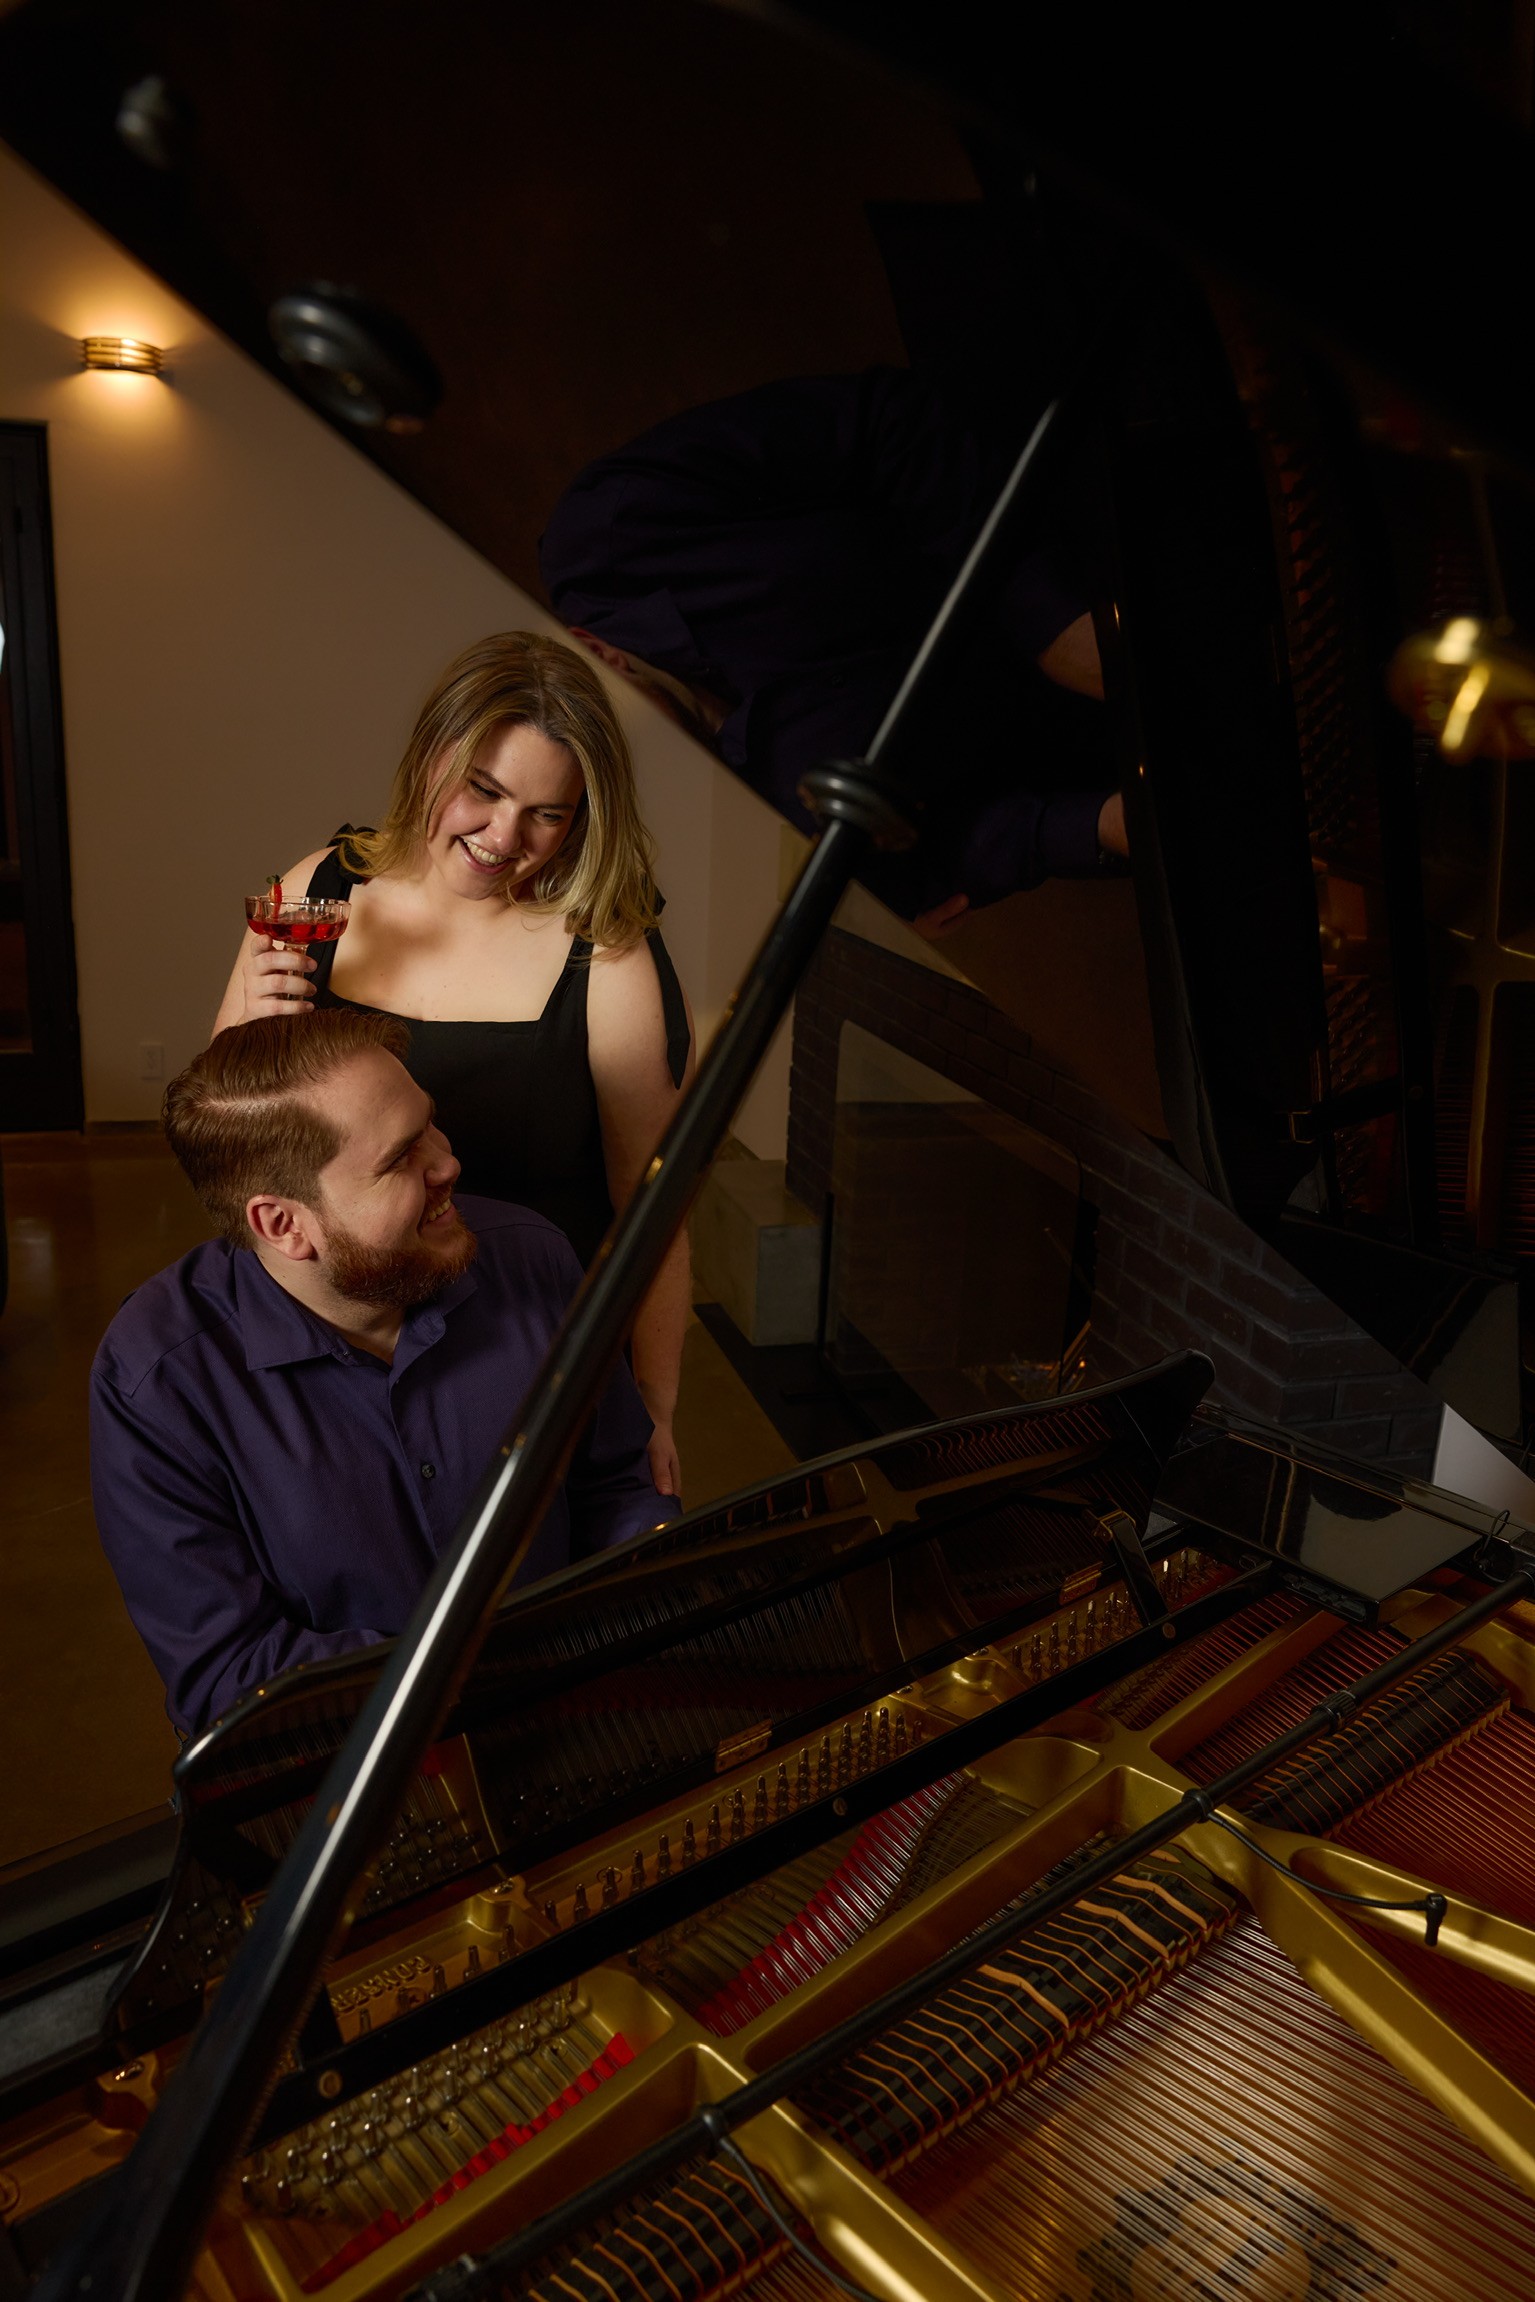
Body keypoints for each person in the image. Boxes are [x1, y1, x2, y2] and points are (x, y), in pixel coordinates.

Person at [90, 1010, 676, 1737]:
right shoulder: (156, 1380)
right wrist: (495, 1669)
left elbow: (614, 1485)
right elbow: (228, 1675)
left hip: (568, 1713)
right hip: (328, 1775)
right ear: (283, 1225)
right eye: (400, 1158)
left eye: (430, 1125)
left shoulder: (533, 1258)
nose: (447, 1163)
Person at [213, 631, 693, 1497]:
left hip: (534, 1352)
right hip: (341, 1352)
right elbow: (231, 1148)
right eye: (484, 790)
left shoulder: (604, 952)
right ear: (433, 755)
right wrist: (254, 1026)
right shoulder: (321, 888)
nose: (505, 838)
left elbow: (653, 1207)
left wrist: (654, 1401)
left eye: (548, 813)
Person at [539, 366, 1129, 937]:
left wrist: (1049, 620)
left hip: (1089, 509)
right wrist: (1095, 825)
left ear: (598, 654)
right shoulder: (691, 831)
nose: (636, 788)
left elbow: (886, 421)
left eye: (613, 749)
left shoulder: (613, 530)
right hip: (1091, 754)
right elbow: (929, 868)